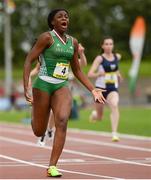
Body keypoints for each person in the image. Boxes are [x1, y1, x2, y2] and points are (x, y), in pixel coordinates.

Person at [23, 8, 105, 177]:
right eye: (60, 16)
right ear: (52, 22)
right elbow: (28, 61)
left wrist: (92, 89)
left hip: (62, 85)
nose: (64, 18)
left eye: (66, 16)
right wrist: (26, 87)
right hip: (43, 85)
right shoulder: (46, 38)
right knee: (39, 131)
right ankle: (35, 118)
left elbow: (77, 70)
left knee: (62, 120)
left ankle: (52, 166)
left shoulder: (73, 42)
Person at [28, 43, 87, 146]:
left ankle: (49, 130)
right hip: (47, 88)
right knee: (48, 112)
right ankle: (44, 133)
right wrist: (28, 76)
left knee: (55, 113)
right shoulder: (47, 58)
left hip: (62, 90)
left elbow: (82, 64)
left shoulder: (67, 58)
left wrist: (81, 53)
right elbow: (36, 69)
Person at [88, 36, 123, 142]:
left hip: (112, 88)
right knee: (100, 117)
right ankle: (95, 114)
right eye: (106, 44)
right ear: (102, 46)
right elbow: (90, 74)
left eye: (110, 44)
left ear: (113, 45)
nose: (108, 46)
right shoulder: (100, 58)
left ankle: (114, 133)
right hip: (100, 90)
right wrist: (100, 74)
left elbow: (115, 69)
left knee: (114, 105)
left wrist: (119, 75)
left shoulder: (117, 56)